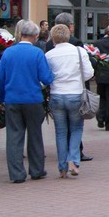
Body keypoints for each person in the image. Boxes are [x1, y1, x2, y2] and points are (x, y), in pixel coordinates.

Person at [0, 20, 54, 183]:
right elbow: (46, 78)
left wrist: (1, 98)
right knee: (35, 135)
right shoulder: (37, 53)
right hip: (33, 99)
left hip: (12, 99)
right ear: (35, 36)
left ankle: (16, 174)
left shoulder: (8, 53)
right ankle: (36, 170)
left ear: (20, 35)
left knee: (14, 136)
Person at [45, 24, 94, 178]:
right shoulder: (79, 51)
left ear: (53, 38)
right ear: (68, 36)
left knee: (60, 132)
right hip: (75, 93)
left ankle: (62, 167)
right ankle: (73, 159)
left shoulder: (49, 55)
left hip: (57, 94)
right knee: (76, 129)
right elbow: (89, 73)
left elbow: (46, 77)